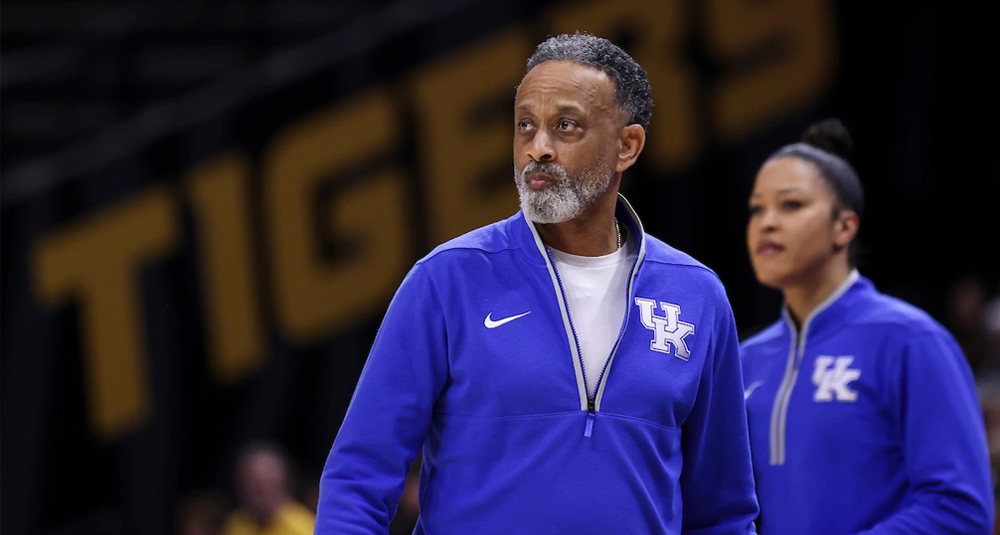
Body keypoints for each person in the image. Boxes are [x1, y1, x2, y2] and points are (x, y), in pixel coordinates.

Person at [315, 32, 758, 534]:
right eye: (526, 125)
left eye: (565, 126)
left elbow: (723, 511)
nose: (537, 149)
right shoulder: (446, 279)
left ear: (627, 146)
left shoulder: (696, 294)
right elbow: (358, 478)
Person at [740, 118, 993, 534]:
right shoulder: (746, 362)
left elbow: (960, 509)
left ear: (844, 226)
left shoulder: (910, 340)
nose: (767, 222)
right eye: (756, 208)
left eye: (791, 205)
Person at [221, 441, 315, 535]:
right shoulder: (236, 523)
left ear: (282, 484)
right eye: (248, 487)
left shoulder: (303, 528)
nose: (254, 498)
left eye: (260, 489)